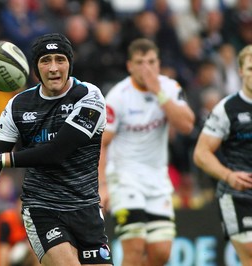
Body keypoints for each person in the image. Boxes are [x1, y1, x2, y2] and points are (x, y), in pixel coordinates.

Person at [0, 33, 113, 266]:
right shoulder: (18, 106)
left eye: (59, 59)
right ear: (35, 68)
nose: (53, 67)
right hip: (42, 209)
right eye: (45, 61)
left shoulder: (89, 97)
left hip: (86, 208)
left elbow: (56, 152)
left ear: (69, 64)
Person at [99, 38, 195, 266]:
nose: (147, 68)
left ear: (158, 63)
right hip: (125, 177)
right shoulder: (117, 96)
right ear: (129, 65)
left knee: (161, 253)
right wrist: (102, 184)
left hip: (157, 178)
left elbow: (187, 125)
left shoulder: (170, 88)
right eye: (140, 62)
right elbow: (103, 143)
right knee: (134, 247)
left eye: (151, 62)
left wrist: (159, 93)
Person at [193, 44, 252, 265]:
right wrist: (228, 176)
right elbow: (201, 154)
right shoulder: (227, 108)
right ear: (240, 71)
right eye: (250, 68)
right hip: (236, 195)